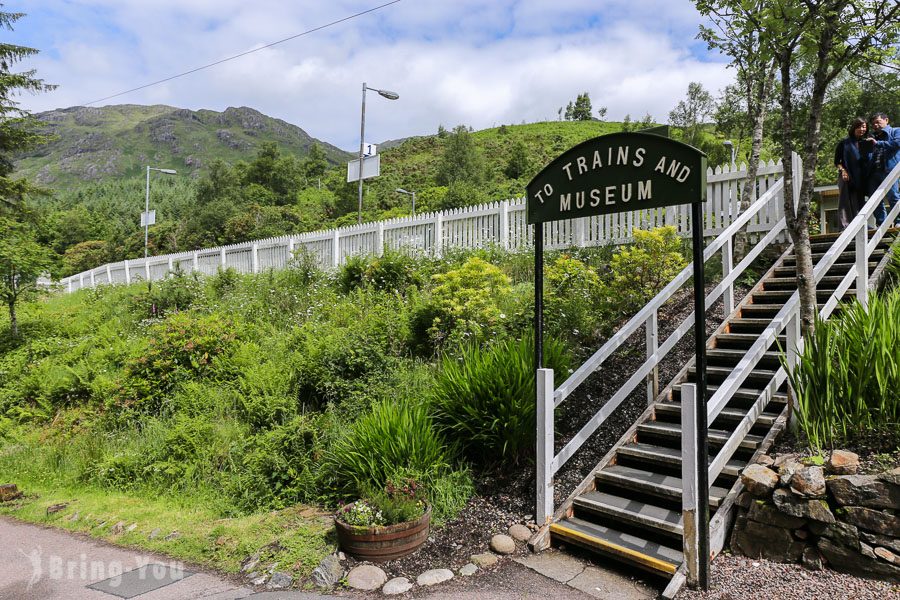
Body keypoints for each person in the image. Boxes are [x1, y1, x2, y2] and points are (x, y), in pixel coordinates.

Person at [834, 117, 870, 229]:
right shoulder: (844, 143)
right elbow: (837, 162)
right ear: (854, 128)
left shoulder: (867, 142)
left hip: (861, 176)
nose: (862, 129)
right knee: (845, 201)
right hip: (846, 175)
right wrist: (843, 171)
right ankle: (845, 226)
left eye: (864, 127)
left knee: (860, 201)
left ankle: (862, 225)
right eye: (859, 126)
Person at [866, 112, 900, 226]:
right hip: (874, 172)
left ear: (886, 120)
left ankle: (898, 221)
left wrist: (877, 143)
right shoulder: (872, 136)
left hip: (889, 170)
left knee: (893, 196)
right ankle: (882, 223)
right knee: (874, 200)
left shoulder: (895, 131)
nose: (875, 125)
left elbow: (896, 144)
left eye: (878, 122)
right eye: (873, 123)